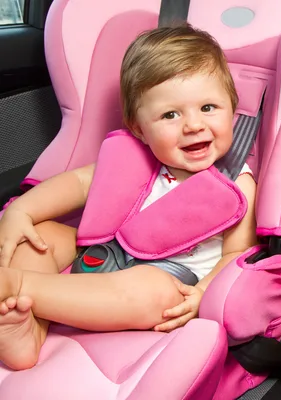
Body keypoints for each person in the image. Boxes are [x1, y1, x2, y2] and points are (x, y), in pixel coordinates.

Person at [0, 24, 257, 371]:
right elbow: (77, 183)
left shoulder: (236, 184)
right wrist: (23, 212)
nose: (193, 125)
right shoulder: (134, 160)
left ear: (233, 109)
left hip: (168, 275)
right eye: (170, 115)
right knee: (40, 237)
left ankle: (17, 287)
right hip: (102, 250)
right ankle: (26, 328)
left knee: (157, 294)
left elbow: (237, 254)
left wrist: (203, 294)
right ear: (139, 128)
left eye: (209, 107)